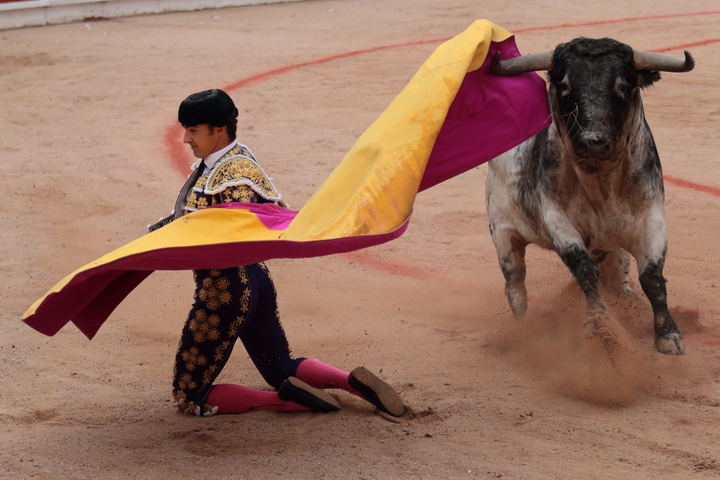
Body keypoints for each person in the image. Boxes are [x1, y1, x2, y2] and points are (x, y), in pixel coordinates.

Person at [149, 89, 406, 417]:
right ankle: (352, 382)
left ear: (219, 130)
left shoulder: (230, 174)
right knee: (280, 367)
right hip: (257, 280)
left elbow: (225, 224)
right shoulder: (236, 159)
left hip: (224, 291)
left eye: (194, 130)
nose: (186, 139)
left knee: (189, 394)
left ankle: (285, 401)